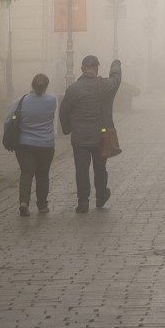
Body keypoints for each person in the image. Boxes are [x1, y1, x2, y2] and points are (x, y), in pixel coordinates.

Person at [59, 54, 122, 213]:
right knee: (100, 167)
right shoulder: (105, 85)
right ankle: (101, 196)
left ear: (82, 69)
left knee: (81, 169)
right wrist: (115, 64)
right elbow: (116, 80)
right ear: (97, 68)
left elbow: (64, 111)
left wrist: (67, 129)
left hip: (80, 137)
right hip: (100, 136)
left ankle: (83, 202)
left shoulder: (73, 89)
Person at [4, 73, 56, 217]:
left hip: (24, 144)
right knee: (42, 174)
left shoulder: (21, 101)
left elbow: (7, 121)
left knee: (26, 173)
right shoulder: (52, 100)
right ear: (46, 86)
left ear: (32, 84)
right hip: (46, 144)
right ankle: (42, 205)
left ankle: (24, 202)